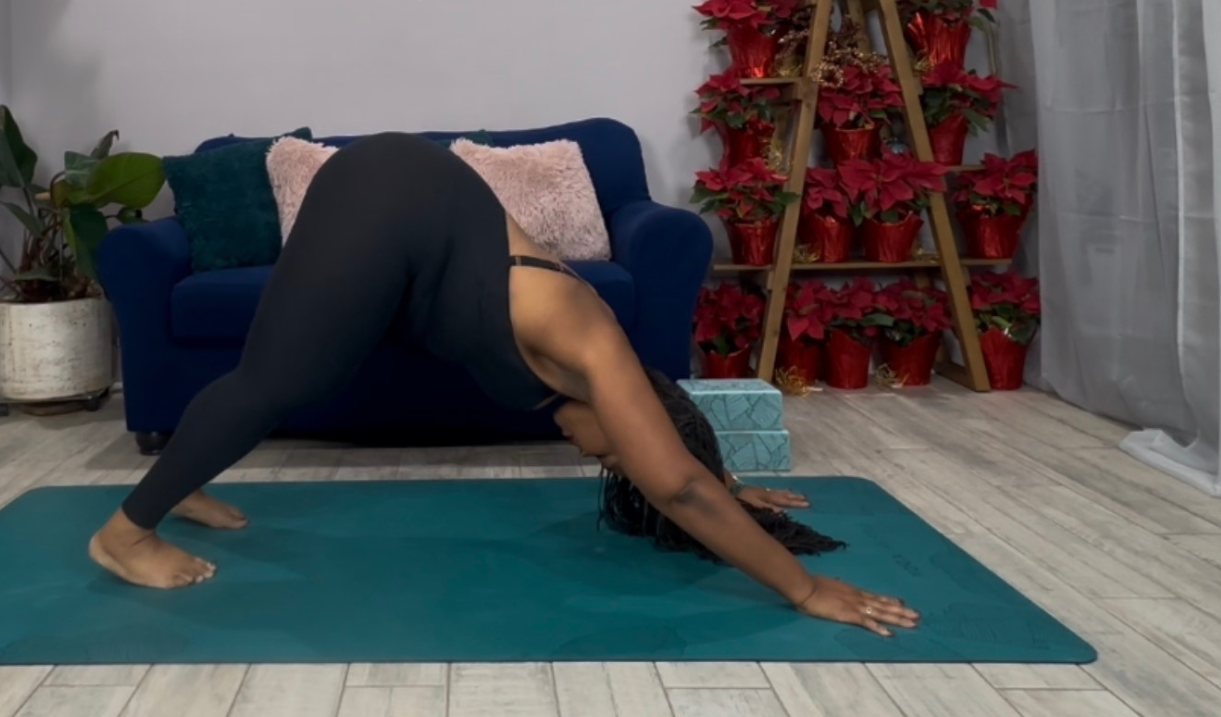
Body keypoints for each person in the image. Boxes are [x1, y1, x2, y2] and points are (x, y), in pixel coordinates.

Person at [89, 133, 920, 637]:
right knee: (283, 380)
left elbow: (679, 459)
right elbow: (675, 482)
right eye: (614, 454)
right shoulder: (590, 342)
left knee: (289, 369)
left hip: (412, 217)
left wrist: (731, 487)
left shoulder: (578, 383)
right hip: (388, 190)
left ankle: (184, 475)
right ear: (629, 419)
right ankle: (126, 533)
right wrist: (804, 587)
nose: (599, 456)